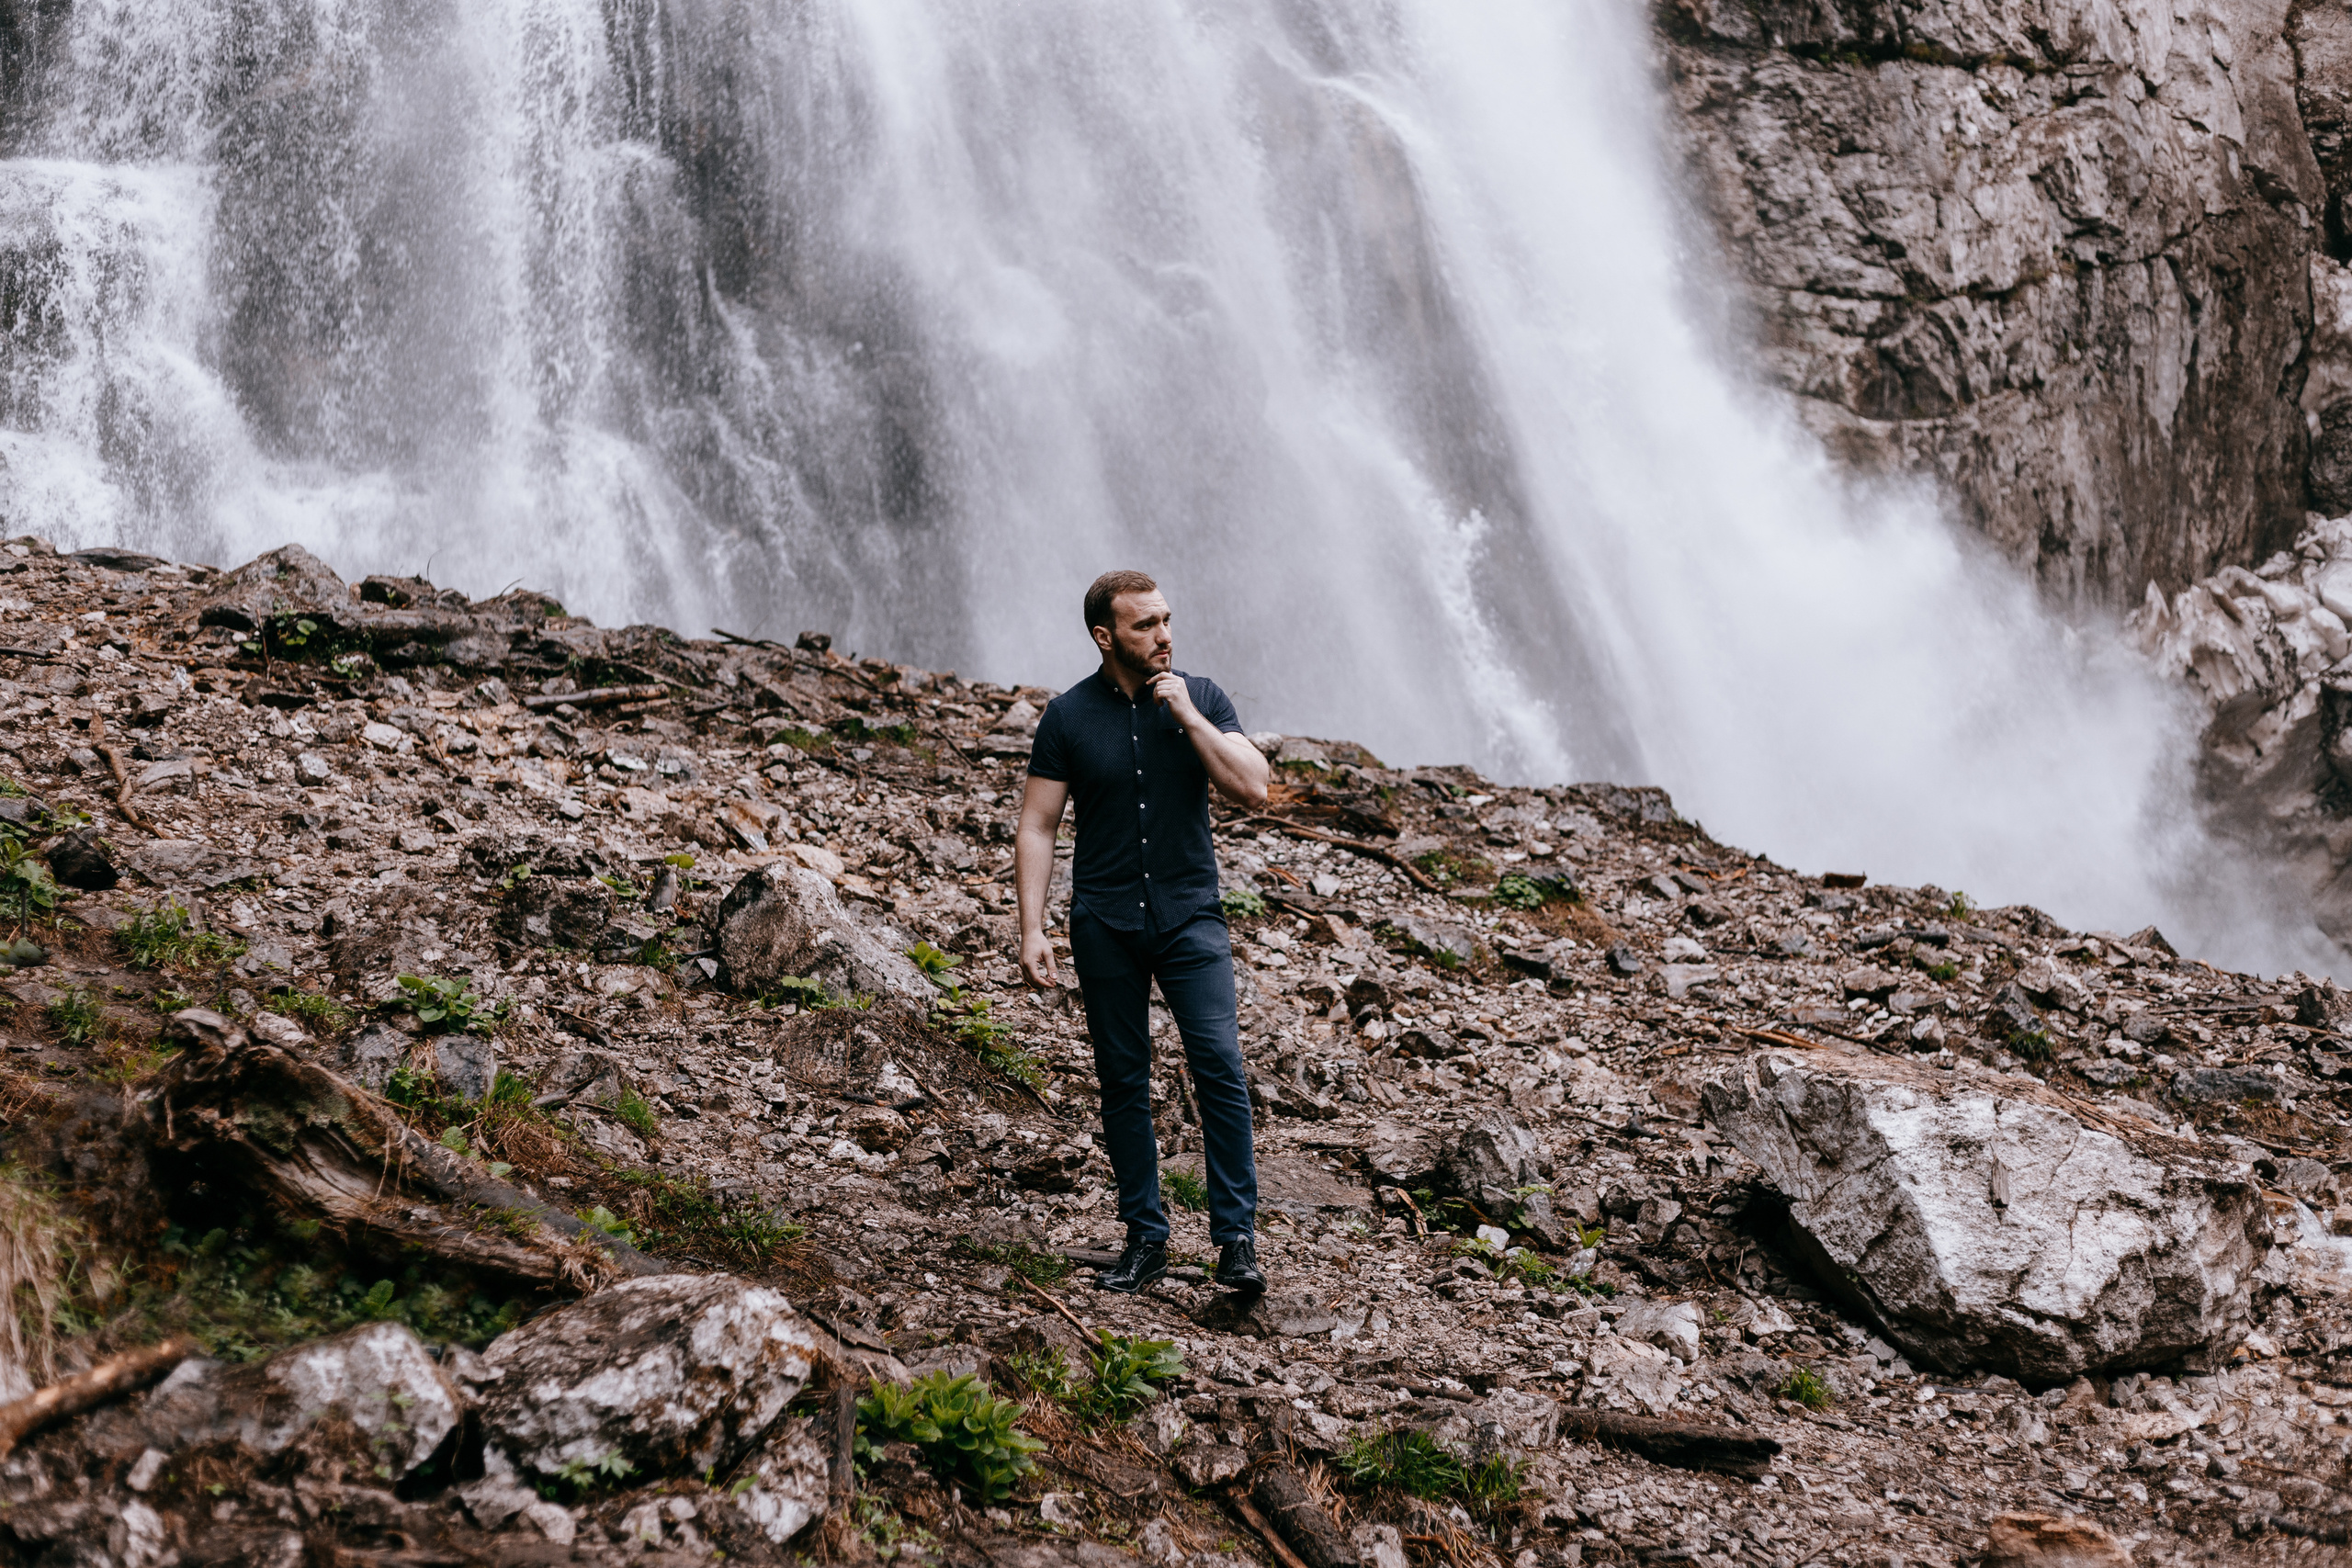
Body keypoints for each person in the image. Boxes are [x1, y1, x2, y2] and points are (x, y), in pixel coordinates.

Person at [1016, 570, 1272, 1295]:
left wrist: (1188, 715)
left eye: (1166, 620)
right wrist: (1031, 928)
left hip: (1191, 915)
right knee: (1122, 1082)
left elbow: (1254, 788)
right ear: (1106, 636)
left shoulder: (1203, 695)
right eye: (1144, 625)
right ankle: (1146, 1238)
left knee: (1219, 1067)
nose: (1163, 636)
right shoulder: (1067, 716)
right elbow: (1037, 825)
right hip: (1105, 921)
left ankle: (1235, 1243)